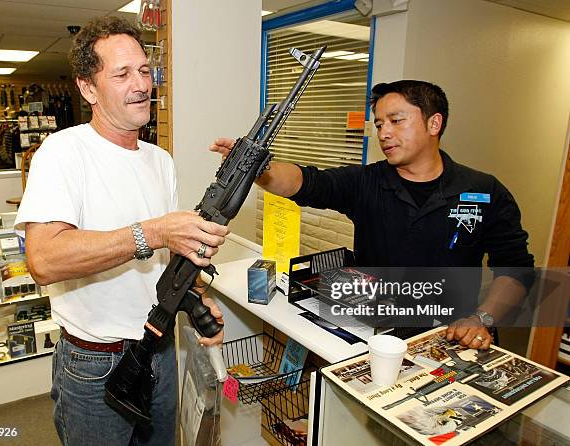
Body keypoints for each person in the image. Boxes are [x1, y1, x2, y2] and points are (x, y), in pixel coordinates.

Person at [14, 16, 228, 446]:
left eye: (145, 71)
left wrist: (197, 297)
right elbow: (44, 259)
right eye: (122, 74)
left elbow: (167, 261)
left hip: (161, 351)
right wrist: (151, 232)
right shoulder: (62, 152)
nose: (141, 84)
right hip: (95, 364)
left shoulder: (159, 160)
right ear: (88, 88)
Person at [211, 80, 534, 350]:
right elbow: (305, 182)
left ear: (434, 123)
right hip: (379, 333)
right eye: (379, 124)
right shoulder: (367, 182)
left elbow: (516, 269)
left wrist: (482, 319)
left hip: (453, 334)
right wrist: (255, 166)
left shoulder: (484, 189)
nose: (384, 133)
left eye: (396, 121)